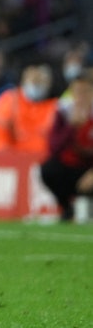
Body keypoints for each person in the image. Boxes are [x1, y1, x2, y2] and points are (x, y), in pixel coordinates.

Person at [40, 68, 93, 221]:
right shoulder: (63, 112)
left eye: (85, 91)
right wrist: (71, 127)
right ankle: (67, 209)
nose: (80, 96)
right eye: (77, 92)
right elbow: (54, 147)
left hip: (90, 168)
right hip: (71, 168)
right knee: (48, 169)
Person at [0, 62, 57, 158]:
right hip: (12, 162)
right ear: (23, 80)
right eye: (32, 78)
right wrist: (6, 158)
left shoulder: (57, 108)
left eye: (40, 80)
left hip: (46, 164)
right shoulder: (11, 100)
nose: (35, 82)